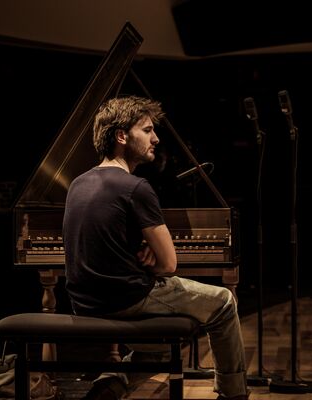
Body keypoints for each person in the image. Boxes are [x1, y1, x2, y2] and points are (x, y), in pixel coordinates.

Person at [63, 95, 249, 400]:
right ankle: (234, 394)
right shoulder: (136, 187)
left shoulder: (78, 184)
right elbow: (168, 265)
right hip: (127, 299)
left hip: (85, 303)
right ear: (122, 136)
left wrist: (140, 252)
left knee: (161, 345)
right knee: (225, 302)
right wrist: (151, 260)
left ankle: (112, 382)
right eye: (147, 130)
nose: (156, 138)